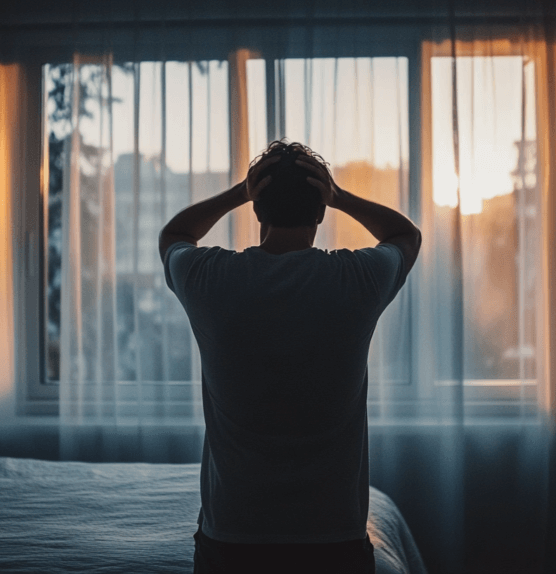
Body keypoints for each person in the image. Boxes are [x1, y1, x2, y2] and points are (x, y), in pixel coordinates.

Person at [160, 140, 421, 574]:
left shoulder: (209, 277)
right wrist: (339, 197)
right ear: (319, 211)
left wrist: (238, 192)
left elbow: (174, 235)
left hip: (234, 534)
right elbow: (404, 235)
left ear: (257, 210)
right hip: (333, 534)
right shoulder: (357, 278)